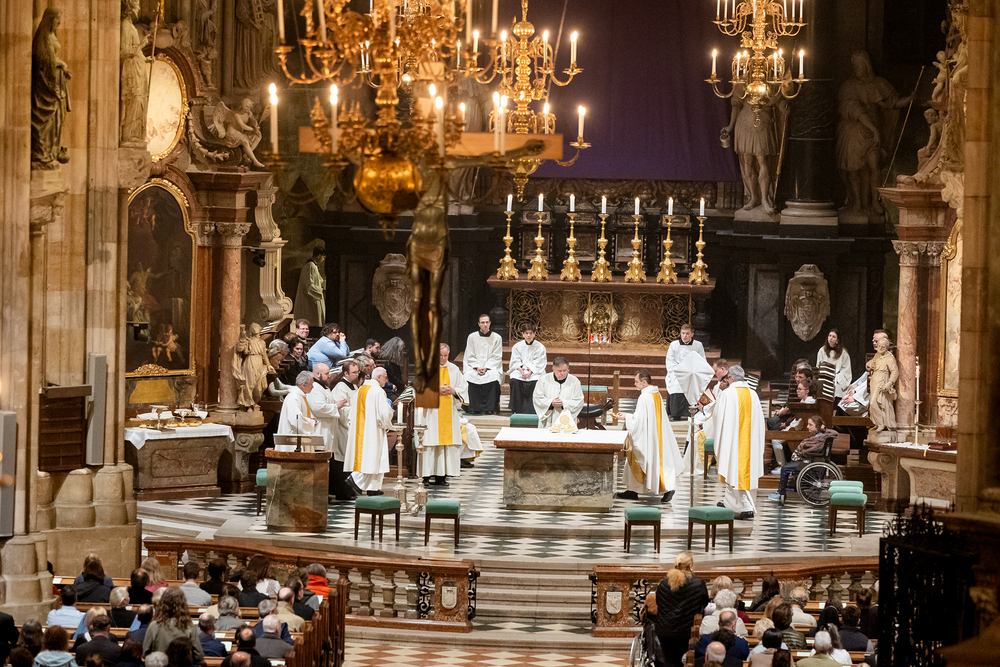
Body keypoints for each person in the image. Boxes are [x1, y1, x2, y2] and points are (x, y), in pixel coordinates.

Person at [616, 369, 683, 503]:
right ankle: (633, 490)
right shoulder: (656, 394)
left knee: (640, 458)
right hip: (656, 434)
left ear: (644, 382)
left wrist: (626, 417)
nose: (635, 384)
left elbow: (639, 421)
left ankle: (664, 488)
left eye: (636, 382)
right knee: (654, 461)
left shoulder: (645, 397)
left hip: (646, 436)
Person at [711, 365, 765, 519]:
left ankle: (746, 507)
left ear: (732, 378)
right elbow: (760, 422)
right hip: (750, 444)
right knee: (739, 471)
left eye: (728, 378)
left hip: (733, 442)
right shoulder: (753, 395)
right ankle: (730, 503)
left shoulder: (727, 394)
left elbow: (718, 417)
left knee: (733, 470)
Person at [421, 344, 468, 487]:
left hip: (448, 412)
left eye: (445, 355)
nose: (442, 358)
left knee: (444, 445)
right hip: (430, 414)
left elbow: (463, 387)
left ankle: (441, 476)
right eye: (440, 355)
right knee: (430, 444)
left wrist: (453, 390)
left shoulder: (453, 369)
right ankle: (426, 476)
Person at [344, 367, 393, 496]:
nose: (386, 380)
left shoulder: (361, 389)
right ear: (378, 377)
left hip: (362, 429)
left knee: (372, 458)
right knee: (373, 458)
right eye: (385, 377)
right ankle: (355, 478)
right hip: (374, 430)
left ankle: (373, 487)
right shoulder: (378, 391)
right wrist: (389, 422)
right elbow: (384, 413)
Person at [655, 553, 709, 667]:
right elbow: (705, 603)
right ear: (690, 566)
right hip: (688, 631)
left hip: (666, 630)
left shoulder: (664, 583)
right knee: (687, 661)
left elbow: (658, 602)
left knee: (669, 662)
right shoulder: (698, 584)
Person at [770, 416, 839, 502]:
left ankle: (781, 493)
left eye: (810, 425)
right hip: (812, 459)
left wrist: (801, 453)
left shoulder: (819, 438)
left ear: (817, 426)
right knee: (788, 463)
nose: (807, 426)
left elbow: (813, 450)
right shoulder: (819, 435)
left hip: (811, 461)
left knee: (785, 468)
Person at [142, 588, 204, 661]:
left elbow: (145, 653)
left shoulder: (154, 626)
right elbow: (198, 655)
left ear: (163, 604)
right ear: (183, 604)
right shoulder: (190, 626)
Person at [769, 380, 817, 474]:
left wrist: (787, 430)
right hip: (797, 429)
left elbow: (800, 422)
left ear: (807, 390)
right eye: (797, 389)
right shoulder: (804, 401)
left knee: (775, 440)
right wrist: (787, 428)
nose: (797, 391)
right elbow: (796, 420)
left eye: (800, 389)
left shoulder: (808, 403)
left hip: (802, 432)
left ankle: (781, 466)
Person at [329, 359, 360, 500]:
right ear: (345, 373)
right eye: (354, 372)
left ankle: (349, 490)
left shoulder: (354, 386)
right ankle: (342, 491)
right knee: (342, 460)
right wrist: (356, 412)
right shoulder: (341, 387)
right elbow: (342, 410)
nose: (357, 374)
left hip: (351, 430)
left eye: (357, 372)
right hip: (343, 430)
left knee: (349, 460)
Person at [463, 314, 503, 415]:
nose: (485, 324)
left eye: (487, 322)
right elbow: (469, 354)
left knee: (494, 376)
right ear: (479, 324)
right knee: (469, 376)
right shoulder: (472, 337)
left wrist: (486, 367)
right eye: (482, 322)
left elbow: (496, 355)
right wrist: (477, 367)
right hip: (475, 367)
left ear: (490, 323)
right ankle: (473, 407)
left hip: (490, 368)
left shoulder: (497, 337)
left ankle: (490, 408)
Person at [665, 324, 707, 419]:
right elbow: (670, 361)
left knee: (693, 384)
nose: (684, 336)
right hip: (678, 372)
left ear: (692, 334)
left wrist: (691, 370)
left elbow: (702, 361)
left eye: (687, 333)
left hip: (692, 372)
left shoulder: (698, 345)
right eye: (683, 333)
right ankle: (676, 414)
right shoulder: (674, 345)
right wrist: (679, 369)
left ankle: (691, 414)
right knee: (676, 384)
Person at [532, 357, 584, 430]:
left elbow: (579, 401)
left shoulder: (574, 381)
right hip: (549, 420)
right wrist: (551, 403)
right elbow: (537, 398)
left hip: (567, 421)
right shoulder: (544, 380)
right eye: (559, 371)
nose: (562, 373)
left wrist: (564, 403)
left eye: (565, 370)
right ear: (553, 369)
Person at [507, 325, 547, 414]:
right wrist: (521, 371)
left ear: (534, 334)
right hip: (520, 370)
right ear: (523, 334)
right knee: (515, 379)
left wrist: (530, 371)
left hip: (534, 370)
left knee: (537, 379)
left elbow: (540, 362)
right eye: (526, 333)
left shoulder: (540, 347)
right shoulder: (517, 346)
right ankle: (517, 408)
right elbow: (515, 361)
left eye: (530, 333)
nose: (528, 335)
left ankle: (533, 408)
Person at [276, 371, 319, 445]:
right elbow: (295, 420)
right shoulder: (294, 397)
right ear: (303, 385)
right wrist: (311, 423)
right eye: (311, 384)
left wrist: (309, 419)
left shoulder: (300, 396)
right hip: (292, 441)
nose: (313, 387)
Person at [294, 247, 326, 330]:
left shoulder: (314, 266)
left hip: (314, 301)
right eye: (323, 257)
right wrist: (320, 290)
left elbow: (319, 281)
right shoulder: (310, 266)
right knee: (312, 326)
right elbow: (309, 287)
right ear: (319, 256)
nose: (323, 260)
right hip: (310, 303)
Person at [816, 329, 852, 398]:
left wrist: (836, 378)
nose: (831, 338)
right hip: (824, 377)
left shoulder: (843, 353)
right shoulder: (822, 351)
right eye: (829, 336)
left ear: (837, 340)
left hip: (837, 379)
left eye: (833, 337)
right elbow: (819, 366)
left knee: (837, 389)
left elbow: (846, 371)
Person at [379, 337, 407, 402]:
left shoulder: (393, 361)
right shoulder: (387, 362)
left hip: (396, 387)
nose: (400, 353)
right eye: (399, 350)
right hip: (390, 389)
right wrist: (402, 385)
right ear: (395, 350)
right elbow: (392, 377)